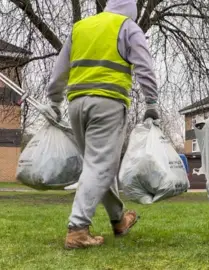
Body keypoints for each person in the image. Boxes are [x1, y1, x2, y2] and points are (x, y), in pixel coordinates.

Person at [45, 0, 159, 249]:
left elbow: (60, 69)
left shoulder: (81, 27)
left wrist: (54, 100)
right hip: (107, 102)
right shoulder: (127, 27)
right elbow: (144, 66)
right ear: (131, 9)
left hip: (76, 104)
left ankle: (119, 220)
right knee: (100, 165)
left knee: (97, 164)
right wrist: (151, 101)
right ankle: (77, 228)